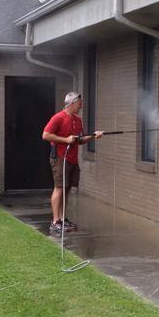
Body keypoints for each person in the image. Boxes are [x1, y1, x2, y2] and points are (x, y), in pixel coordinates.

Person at [41, 91, 103, 235]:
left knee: (67, 189)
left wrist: (94, 136)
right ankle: (55, 221)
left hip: (73, 159)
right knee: (59, 187)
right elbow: (45, 135)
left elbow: (79, 140)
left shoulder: (77, 120)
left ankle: (62, 218)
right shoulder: (58, 118)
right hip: (60, 158)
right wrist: (65, 140)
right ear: (72, 103)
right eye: (80, 103)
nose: (81, 106)